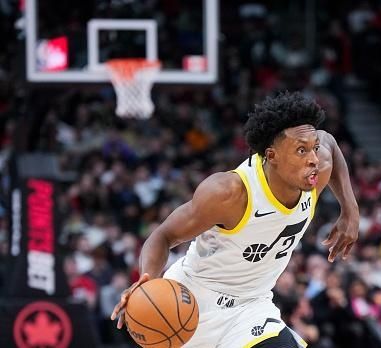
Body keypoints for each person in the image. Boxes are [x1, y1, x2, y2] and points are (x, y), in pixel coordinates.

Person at [111, 91, 359, 347]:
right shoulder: (229, 193)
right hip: (192, 305)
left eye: (313, 148)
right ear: (271, 156)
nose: (314, 159)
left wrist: (350, 210)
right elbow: (163, 235)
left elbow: (329, 142)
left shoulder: (318, 167)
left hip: (252, 306)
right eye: (301, 150)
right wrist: (148, 278)